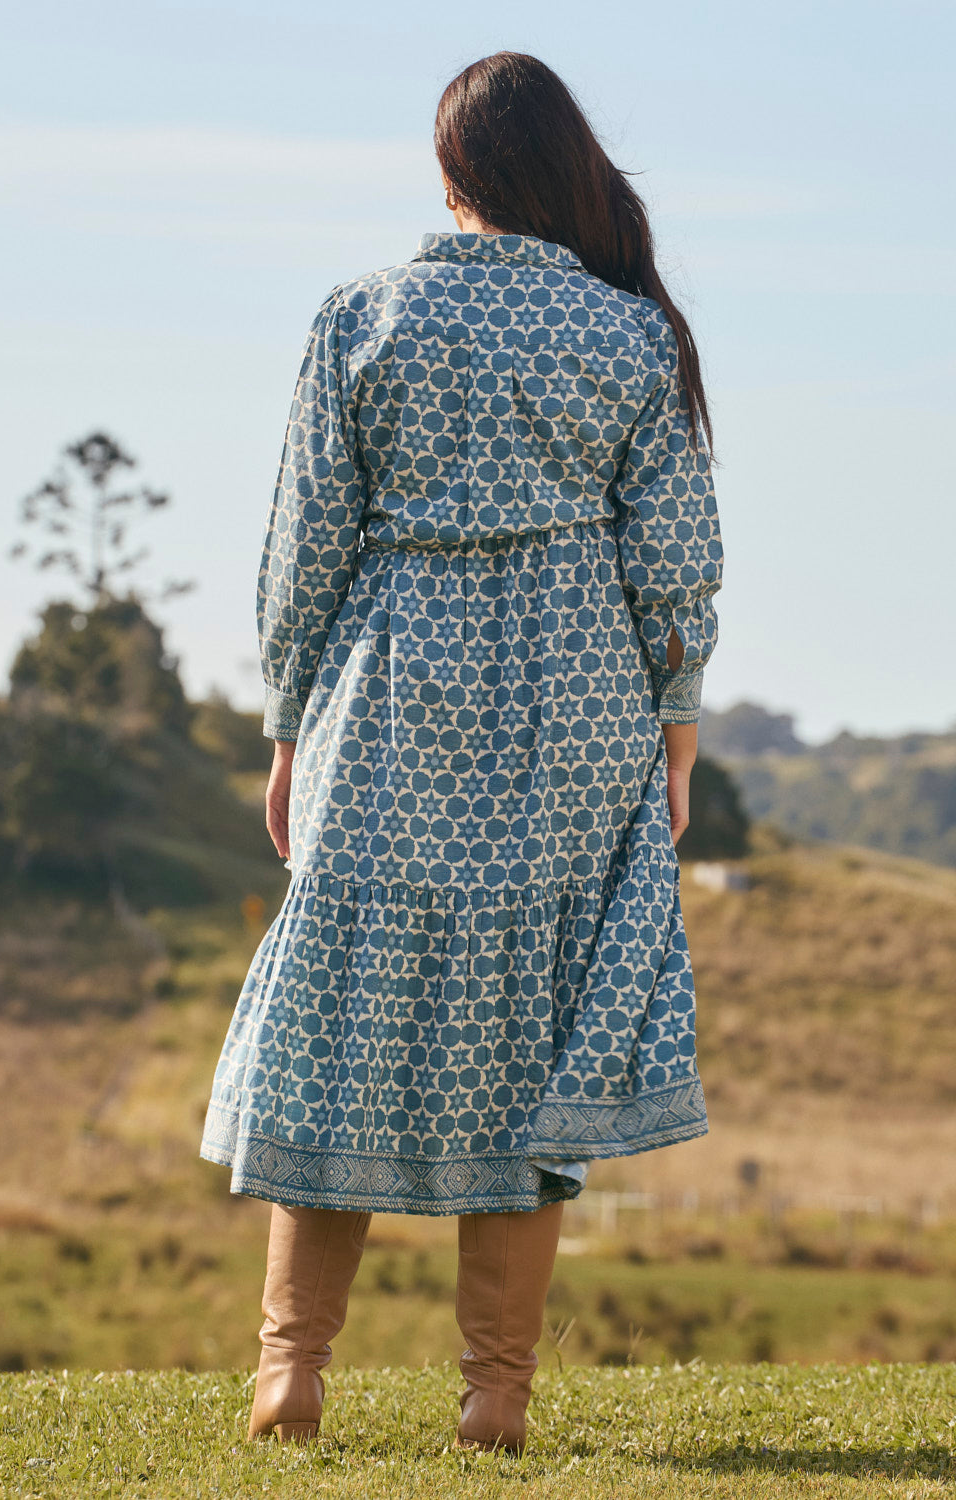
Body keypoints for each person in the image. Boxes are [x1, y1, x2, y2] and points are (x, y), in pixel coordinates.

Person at [199, 50, 723, 1457]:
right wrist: (675, 736)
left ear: (450, 176)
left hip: (386, 688)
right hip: (577, 703)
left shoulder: (359, 316)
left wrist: (289, 723)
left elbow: (302, 548)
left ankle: (290, 1372)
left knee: (339, 1020)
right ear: (561, 170)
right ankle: (494, 1393)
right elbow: (674, 564)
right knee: (531, 1033)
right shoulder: (629, 336)